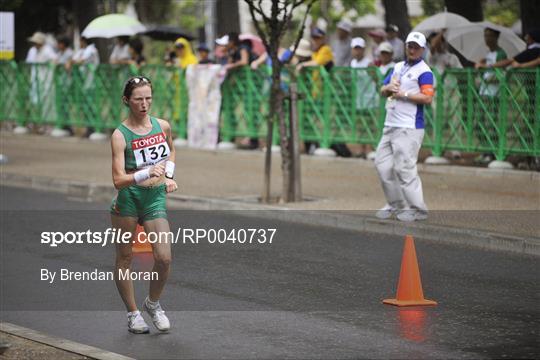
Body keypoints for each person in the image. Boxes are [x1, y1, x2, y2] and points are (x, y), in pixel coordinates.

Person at [110, 76, 177, 334]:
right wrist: (146, 172)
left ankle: (153, 304)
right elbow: (118, 180)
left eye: (148, 98)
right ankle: (133, 313)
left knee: (164, 257)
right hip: (128, 199)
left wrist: (168, 176)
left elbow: (171, 150)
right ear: (126, 100)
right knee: (125, 258)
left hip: (154, 197)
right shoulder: (120, 135)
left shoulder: (162, 126)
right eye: (138, 99)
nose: (145, 104)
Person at [375, 31, 434, 222]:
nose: (412, 49)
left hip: (409, 127)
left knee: (405, 169)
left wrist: (404, 94)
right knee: (382, 166)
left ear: (423, 49)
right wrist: (388, 88)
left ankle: (418, 209)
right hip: (390, 124)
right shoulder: (398, 66)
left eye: (416, 47)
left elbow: (427, 97)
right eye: (410, 45)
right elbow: (383, 89)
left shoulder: (424, 71)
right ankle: (396, 204)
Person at [474, 28, 508, 165]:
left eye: (489, 36)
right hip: (483, 93)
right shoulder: (489, 54)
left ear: (496, 37)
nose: (486, 38)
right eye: (485, 35)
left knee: (491, 124)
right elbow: (485, 72)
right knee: (479, 124)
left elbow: (500, 75)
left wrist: (485, 72)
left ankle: (492, 153)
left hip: (494, 94)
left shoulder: (501, 54)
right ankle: (486, 150)